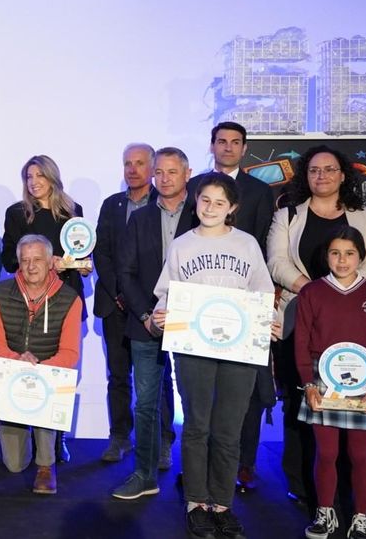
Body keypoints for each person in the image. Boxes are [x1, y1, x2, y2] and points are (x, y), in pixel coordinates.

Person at [153, 173, 278, 539]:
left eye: (219, 203)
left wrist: (268, 322)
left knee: (228, 429)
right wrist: (161, 314)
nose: (210, 208)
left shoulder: (247, 244)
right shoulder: (182, 245)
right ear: (196, 201)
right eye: (205, 200)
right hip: (193, 346)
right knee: (196, 425)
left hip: (238, 348)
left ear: (233, 208)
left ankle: (222, 504)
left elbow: (261, 291)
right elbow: (167, 291)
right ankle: (196, 502)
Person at [267, 144, 366, 505]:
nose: (322, 176)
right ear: (306, 176)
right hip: (300, 315)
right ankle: (305, 486)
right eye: (314, 170)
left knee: (356, 401)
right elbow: (276, 262)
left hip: (356, 322)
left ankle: (359, 489)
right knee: (299, 401)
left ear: (342, 175)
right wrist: (317, 293)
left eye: (330, 169)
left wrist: (343, 293)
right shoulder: (288, 215)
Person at [187, 122, 276, 491]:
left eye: (234, 142)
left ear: (244, 148)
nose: (227, 147)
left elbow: (262, 250)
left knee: (245, 399)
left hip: (242, 307)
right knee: (201, 407)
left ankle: (244, 465)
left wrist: (261, 311)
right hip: (201, 309)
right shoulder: (195, 188)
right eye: (220, 141)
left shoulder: (259, 191)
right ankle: (198, 476)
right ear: (212, 146)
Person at [296, 227, 366, 539]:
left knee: (360, 454)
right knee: (325, 453)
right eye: (335, 253)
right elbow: (300, 343)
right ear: (327, 256)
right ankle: (325, 514)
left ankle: (361, 517)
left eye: (349, 253)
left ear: (360, 257)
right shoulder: (312, 292)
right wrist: (308, 385)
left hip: (365, 382)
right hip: (322, 380)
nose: (342, 260)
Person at [110, 146, 194, 501]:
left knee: (195, 403)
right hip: (147, 323)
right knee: (145, 402)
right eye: (159, 172)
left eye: (172, 172)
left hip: (195, 325)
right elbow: (125, 273)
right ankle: (144, 475)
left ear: (187, 174)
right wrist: (146, 315)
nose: (164, 178)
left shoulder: (202, 214)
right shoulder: (140, 218)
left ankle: (196, 478)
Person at [93, 143, 176, 465]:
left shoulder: (165, 205)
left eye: (140, 163)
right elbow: (102, 252)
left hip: (153, 305)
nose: (132, 169)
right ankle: (119, 436)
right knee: (118, 375)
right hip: (115, 304)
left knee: (160, 376)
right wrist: (119, 292)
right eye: (127, 163)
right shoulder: (111, 205)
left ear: (152, 167)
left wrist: (139, 298)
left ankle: (163, 439)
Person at [1, 154, 87, 462]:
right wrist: (33, 261)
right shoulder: (16, 213)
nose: (34, 182)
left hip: (64, 300)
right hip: (27, 303)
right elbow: (8, 258)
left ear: (52, 177)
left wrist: (79, 265)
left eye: (40, 175)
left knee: (60, 370)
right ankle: (27, 435)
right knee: (29, 368)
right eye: (28, 176)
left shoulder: (73, 211)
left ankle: (55, 439)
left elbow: (80, 253)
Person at [0, 235, 82, 495]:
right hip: (12, 375)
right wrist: (19, 363)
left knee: (46, 388)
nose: (31, 266)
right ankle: (23, 435)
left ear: (51, 262)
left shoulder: (70, 298)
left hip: (48, 376)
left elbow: (71, 353)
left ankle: (46, 465)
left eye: (37, 259)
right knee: (15, 465)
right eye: (25, 260)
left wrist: (38, 369)